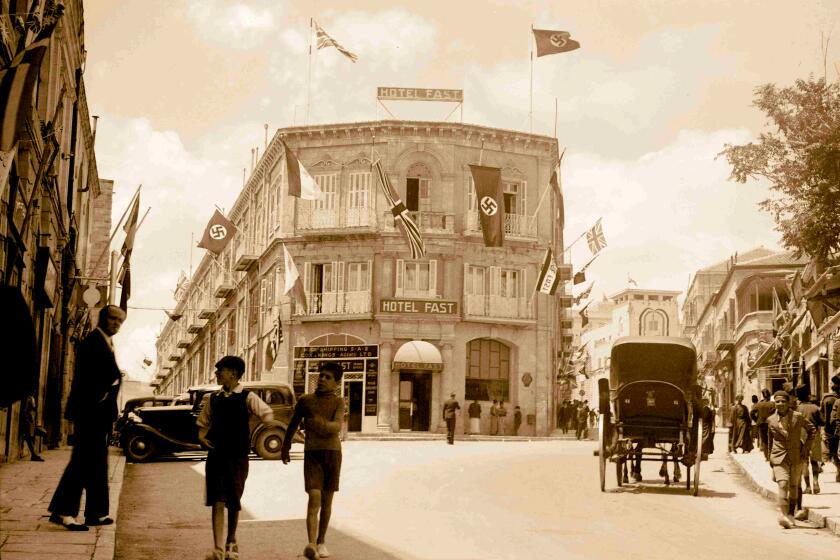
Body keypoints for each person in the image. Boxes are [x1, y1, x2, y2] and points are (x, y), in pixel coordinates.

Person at [48, 305, 126, 531]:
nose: (116, 324)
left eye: (119, 321)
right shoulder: (92, 342)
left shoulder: (106, 343)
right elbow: (88, 379)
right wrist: (102, 395)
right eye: (112, 319)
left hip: (99, 414)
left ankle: (96, 512)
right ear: (103, 319)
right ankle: (64, 512)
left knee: (98, 464)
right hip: (90, 412)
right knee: (82, 462)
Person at [197, 356, 273, 560]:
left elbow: (267, 414)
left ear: (233, 372)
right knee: (217, 500)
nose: (217, 374)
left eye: (220, 370)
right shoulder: (213, 399)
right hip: (216, 456)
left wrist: (257, 422)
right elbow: (203, 424)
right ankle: (218, 549)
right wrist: (202, 437)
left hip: (237, 457)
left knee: (233, 499)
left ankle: (231, 540)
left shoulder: (247, 397)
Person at [281, 362, 345, 560]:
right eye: (321, 376)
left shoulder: (339, 402)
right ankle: (311, 544)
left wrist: (319, 423)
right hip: (313, 454)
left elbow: (336, 427)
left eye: (327, 377)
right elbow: (292, 424)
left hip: (332, 453)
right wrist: (286, 446)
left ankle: (321, 541)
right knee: (314, 497)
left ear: (336, 382)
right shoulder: (305, 400)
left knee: (327, 500)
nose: (322, 380)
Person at [767, 390, 817, 529]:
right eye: (777, 401)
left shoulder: (798, 416)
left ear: (788, 402)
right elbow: (769, 439)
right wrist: (769, 457)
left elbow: (812, 430)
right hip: (778, 456)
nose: (780, 403)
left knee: (794, 486)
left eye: (783, 401)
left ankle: (790, 514)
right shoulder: (770, 420)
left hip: (796, 456)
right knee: (783, 484)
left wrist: (806, 447)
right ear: (775, 403)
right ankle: (783, 515)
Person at [795, 387, 823, 495]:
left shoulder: (797, 409)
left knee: (804, 461)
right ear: (808, 395)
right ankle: (816, 483)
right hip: (814, 435)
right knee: (815, 460)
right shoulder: (815, 408)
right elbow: (822, 422)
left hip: (801, 437)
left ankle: (807, 487)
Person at [820, 376, 840, 481]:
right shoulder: (835, 399)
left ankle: (838, 470)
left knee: (833, 451)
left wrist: (824, 428)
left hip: (830, 429)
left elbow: (823, 415)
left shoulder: (827, 399)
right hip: (836, 428)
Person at [752, 389, 775, 461]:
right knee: (771, 439)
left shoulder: (759, 404)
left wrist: (756, 420)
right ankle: (770, 455)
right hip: (770, 423)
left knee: (764, 440)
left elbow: (751, 413)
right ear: (769, 395)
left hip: (761, 424)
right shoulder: (772, 404)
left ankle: (766, 457)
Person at [22, 394, 44, 461]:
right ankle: (34, 455)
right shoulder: (28, 398)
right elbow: (25, 410)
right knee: (29, 438)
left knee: (30, 437)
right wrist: (27, 420)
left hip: (31, 420)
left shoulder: (31, 398)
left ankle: (34, 454)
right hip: (28, 420)